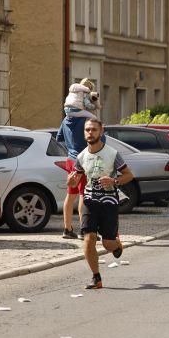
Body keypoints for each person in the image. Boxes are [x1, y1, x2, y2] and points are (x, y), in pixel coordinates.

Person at [68, 118, 133, 290]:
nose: (90, 133)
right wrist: (71, 181)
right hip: (89, 200)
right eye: (87, 130)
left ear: (101, 131)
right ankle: (96, 277)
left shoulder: (112, 154)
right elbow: (76, 179)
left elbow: (129, 175)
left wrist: (114, 180)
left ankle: (116, 243)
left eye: (94, 130)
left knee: (107, 244)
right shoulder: (81, 156)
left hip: (109, 201)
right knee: (88, 238)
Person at [57, 78, 100, 240]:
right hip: (84, 160)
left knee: (70, 195)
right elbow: (99, 140)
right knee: (84, 195)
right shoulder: (86, 121)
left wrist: (72, 146)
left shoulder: (65, 120)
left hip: (70, 159)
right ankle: (84, 230)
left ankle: (67, 229)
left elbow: (59, 138)